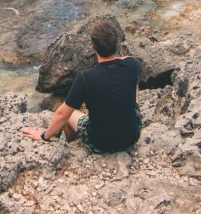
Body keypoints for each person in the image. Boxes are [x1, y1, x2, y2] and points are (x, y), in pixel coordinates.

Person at [20, 20, 141, 153]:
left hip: (101, 144)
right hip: (131, 137)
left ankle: (73, 147)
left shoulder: (86, 78)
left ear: (92, 47)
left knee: (71, 115)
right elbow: (126, 62)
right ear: (117, 44)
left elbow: (61, 114)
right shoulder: (133, 65)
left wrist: (44, 135)